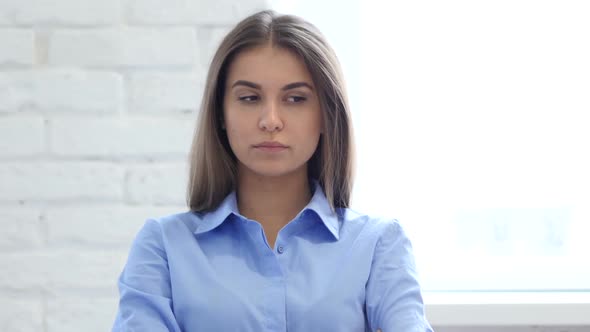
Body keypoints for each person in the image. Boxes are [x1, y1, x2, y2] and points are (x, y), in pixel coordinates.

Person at [112, 10, 433, 332]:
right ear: (220, 114)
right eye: (249, 98)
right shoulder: (164, 246)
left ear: (326, 114)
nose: (271, 120)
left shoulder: (378, 244)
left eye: (295, 99)